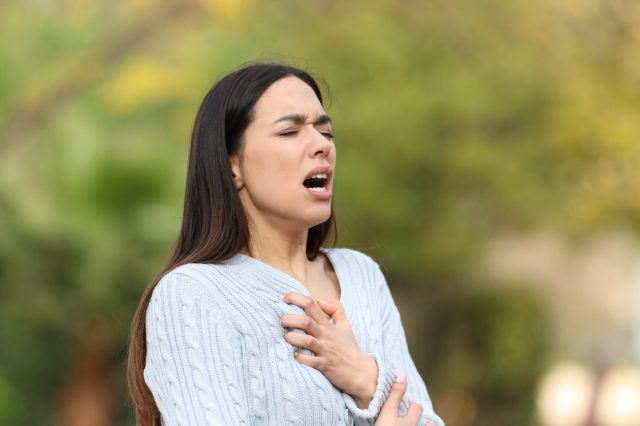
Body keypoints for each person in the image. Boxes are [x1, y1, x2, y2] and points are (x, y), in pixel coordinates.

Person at [127, 63, 444, 426]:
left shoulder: (362, 276)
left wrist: (363, 375)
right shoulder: (194, 294)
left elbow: (427, 419)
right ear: (233, 166)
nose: (322, 145)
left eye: (326, 131)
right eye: (291, 131)